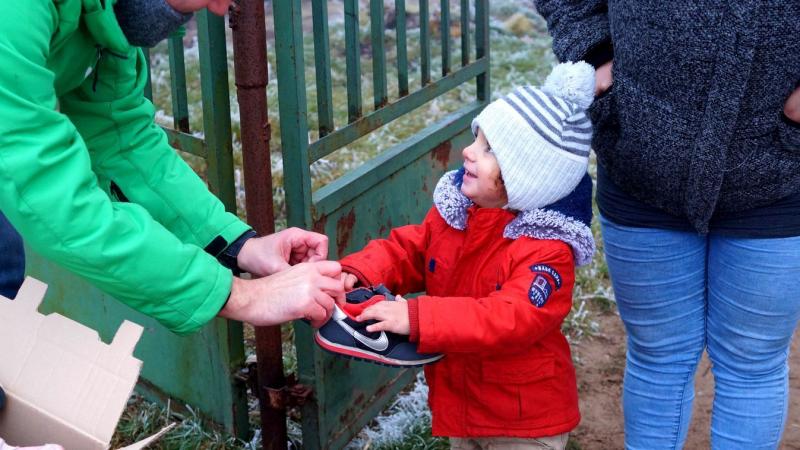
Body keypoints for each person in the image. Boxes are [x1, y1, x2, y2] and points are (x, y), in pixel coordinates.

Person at [533, 1, 800, 449]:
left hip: (779, 168)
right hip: (641, 156)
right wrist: (594, 52)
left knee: (751, 361)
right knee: (659, 356)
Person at [0, 0, 343, 335]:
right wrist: (241, 295)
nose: (223, 7)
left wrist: (241, 246)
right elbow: (48, 197)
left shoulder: (105, 16)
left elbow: (121, 140)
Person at [335, 62, 597, 450]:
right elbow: (413, 249)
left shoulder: (547, 252)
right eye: (477, 139)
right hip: (464, 402)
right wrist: (360, 271)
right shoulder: (462, 213)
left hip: (523, 423)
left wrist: (416, 317)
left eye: (489, 149)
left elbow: (510, 317)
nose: (468, 151)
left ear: (527, 175)